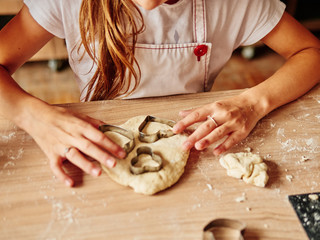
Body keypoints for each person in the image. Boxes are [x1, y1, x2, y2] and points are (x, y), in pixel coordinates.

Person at [0, 0, 319, 187]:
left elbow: (311, 52)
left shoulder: (232, 4)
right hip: (96, 138)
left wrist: (254, 101)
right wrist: (31, 114)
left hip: (189, 135)